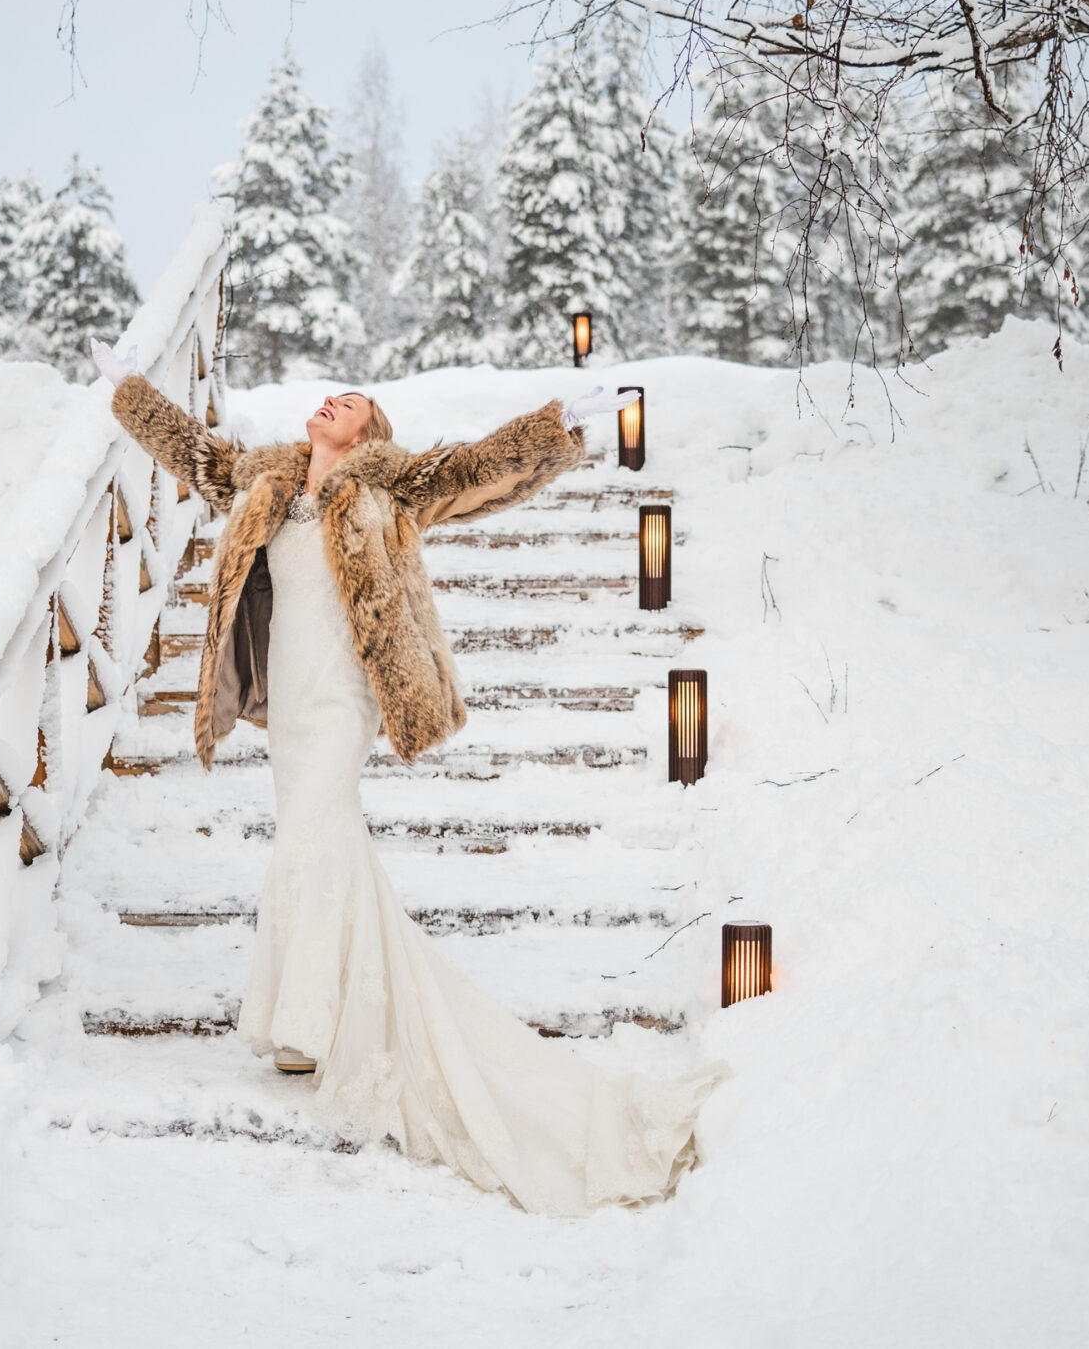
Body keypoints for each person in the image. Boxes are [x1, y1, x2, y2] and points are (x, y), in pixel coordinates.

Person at [91, 337, 727, 1215]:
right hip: (290, 696)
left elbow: (477, 469)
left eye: (348, 401)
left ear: (369, 430)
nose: (328, 403)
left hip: (346, 692)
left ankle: (308, 1020)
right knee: (314, 838)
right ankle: (306, 1021)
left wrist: (560, 425)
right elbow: (191, 449)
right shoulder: (265, 480)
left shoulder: (389, 486)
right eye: (327, 397)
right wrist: (126, 387)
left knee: (316, 827)